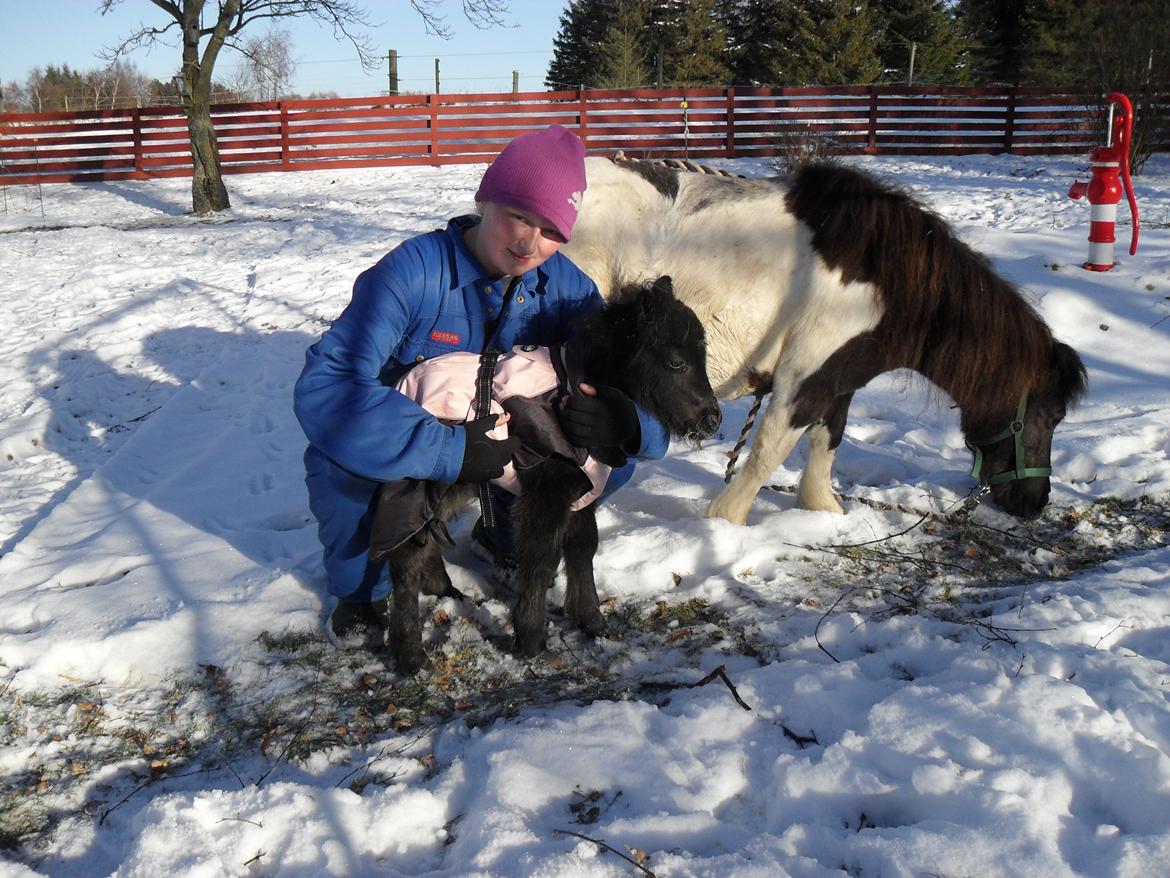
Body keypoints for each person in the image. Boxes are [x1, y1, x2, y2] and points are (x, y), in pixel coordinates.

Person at [293, 125, 669, 645]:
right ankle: (364, 589)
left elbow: (630, 372)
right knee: (340, 464)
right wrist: (447, 450)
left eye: (552, 230)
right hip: (416, 430)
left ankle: (502, 538)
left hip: (509, 443)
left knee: (608, 463)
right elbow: (327, 388)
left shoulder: (565, 289)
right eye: (518, 215)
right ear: (486, 199)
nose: (529, 243)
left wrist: (629, 421)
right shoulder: (414, 274)